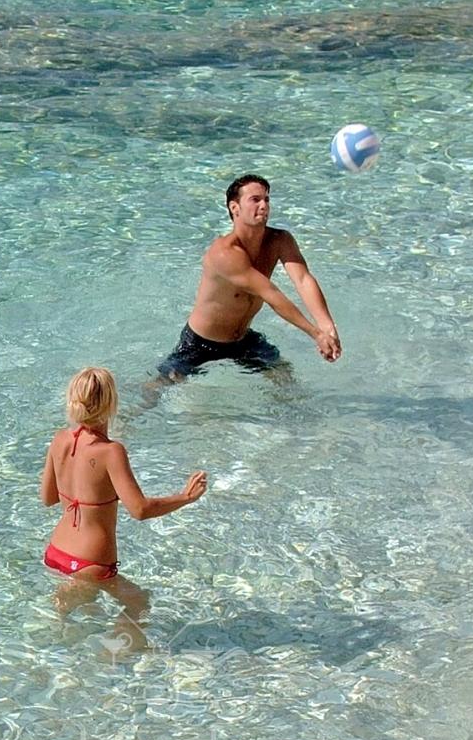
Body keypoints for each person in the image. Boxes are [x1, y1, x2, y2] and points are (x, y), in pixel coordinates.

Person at [39, 366, 206, 624]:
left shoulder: (60, 439)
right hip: (90, 562)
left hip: (56, 553)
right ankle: (112, 651)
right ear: (111, 403)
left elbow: (48, 498)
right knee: (139, 602)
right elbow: (140, 510)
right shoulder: (111, 452)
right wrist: (185, 497)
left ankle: (66, 633)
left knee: (77, 617)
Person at [154, 174, 341, 385]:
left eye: (267, 199)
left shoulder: (280, 240)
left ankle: (290, 408)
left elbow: (303, 280)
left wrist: (327, 326)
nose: (264, 206)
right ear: (235, 208)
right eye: (255, 199)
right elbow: (271, 294)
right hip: (201, 343)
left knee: (285, 378)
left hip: (243, 340)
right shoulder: (224, 253)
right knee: (160, 386)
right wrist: (316, 334)